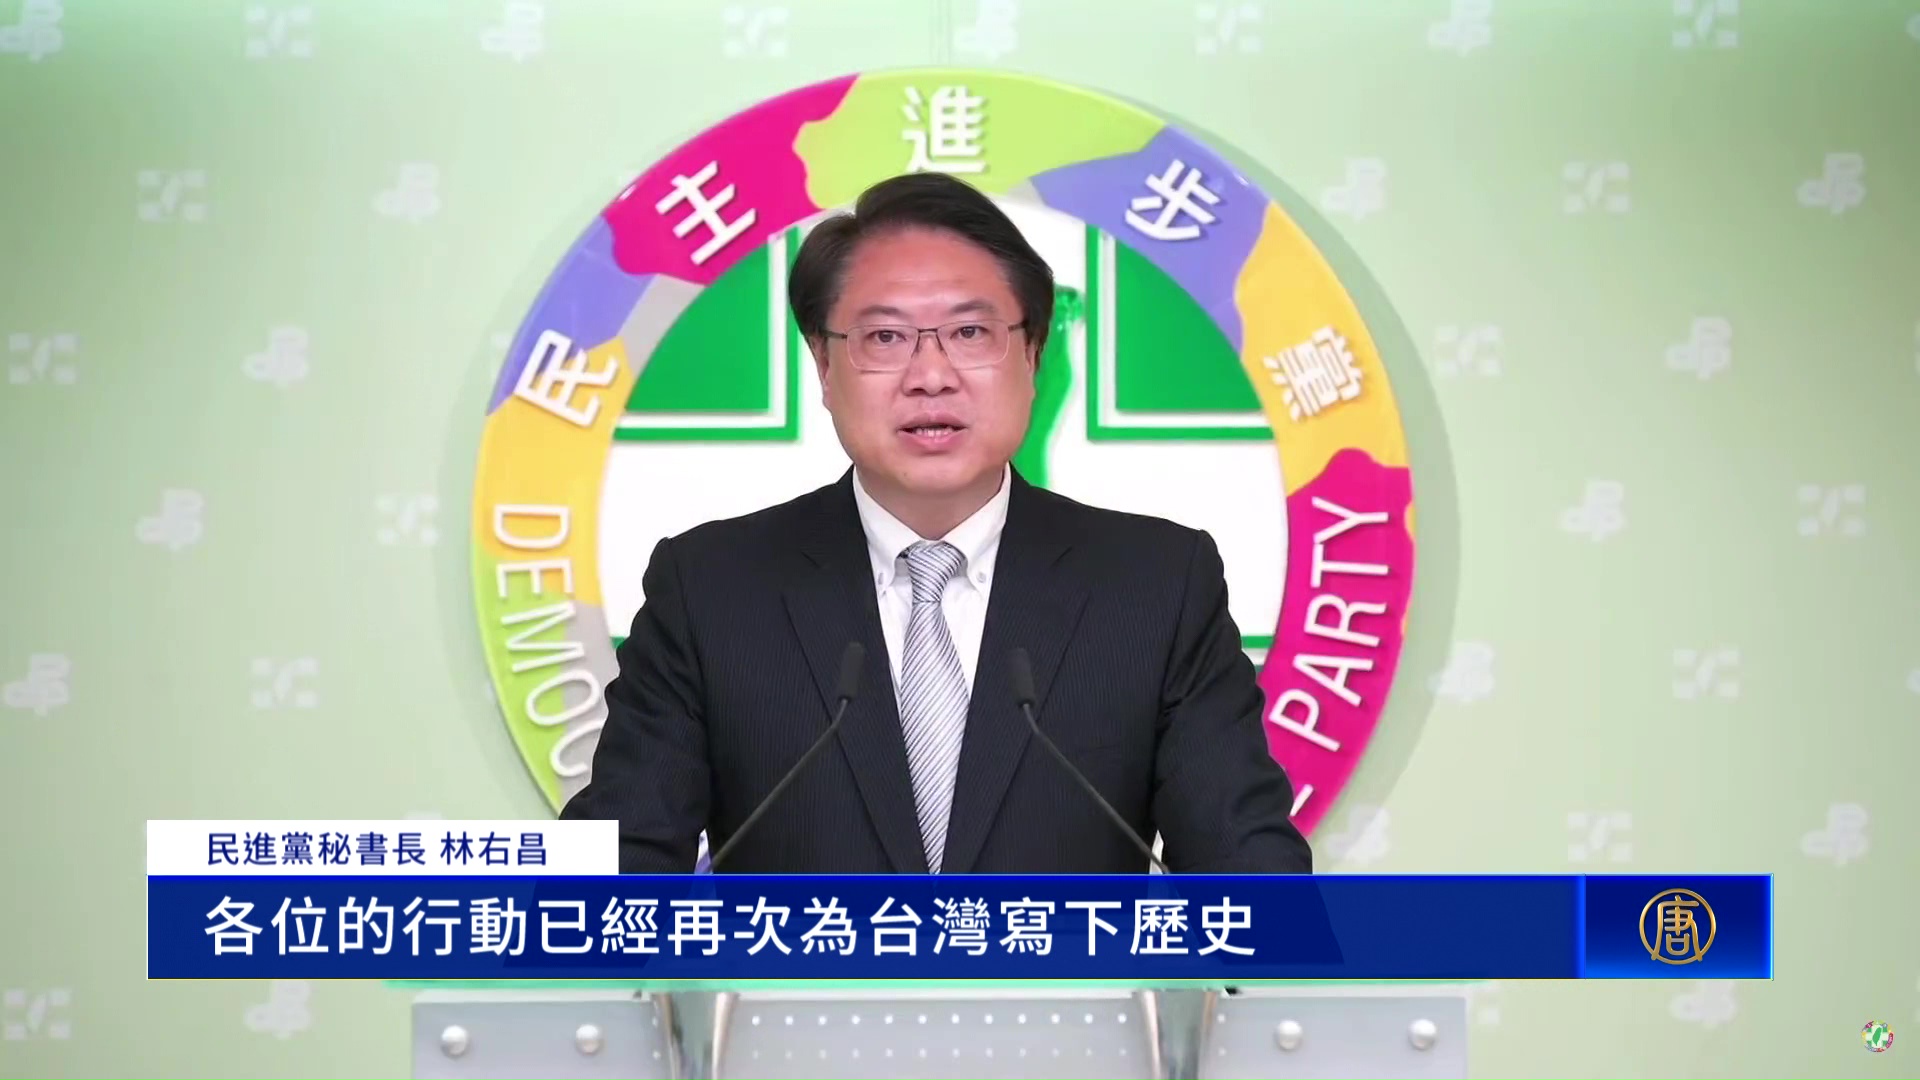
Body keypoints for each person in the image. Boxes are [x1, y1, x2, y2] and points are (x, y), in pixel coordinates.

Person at [561, 172, 1312, 876]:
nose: (930, 376)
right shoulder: (712, 590)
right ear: (823, 367)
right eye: (885, 338)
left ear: (1033, 356)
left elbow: (1254, 881)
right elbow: (612, 868)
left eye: (971, 333)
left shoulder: (1156, 585)